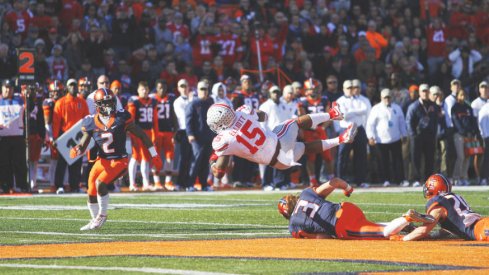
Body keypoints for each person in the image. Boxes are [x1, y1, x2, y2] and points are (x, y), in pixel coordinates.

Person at [70, 88, 162, 230]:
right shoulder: (91, 122)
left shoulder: (122, 118)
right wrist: (78, 149)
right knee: (91, 189)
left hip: (119, 160)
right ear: (97, 105)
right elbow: (84, 143)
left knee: (100, 183)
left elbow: (142, 135)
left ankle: (102, 215)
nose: (108, 106)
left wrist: (154, 154)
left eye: (110, 102)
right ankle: (94, 219)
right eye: (104, 103)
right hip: (102, 160)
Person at [208, 101, 356, 179]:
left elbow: (220, 172)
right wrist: (251, 116)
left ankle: (341, 138)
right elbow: (263, 116)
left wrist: (214, 166)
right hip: (280, 143)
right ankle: (332, 114)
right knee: (294, 122)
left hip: (279, 164)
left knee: (305, 148)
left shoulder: (223, 140)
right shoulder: (242, 112)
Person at [277, 178, 433, 239]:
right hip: (347, 208)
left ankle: (406, 218)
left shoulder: (293, 225)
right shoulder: (306, 193)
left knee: (382, 234)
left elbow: (320, 237)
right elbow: (335, 182)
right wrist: (348, 188)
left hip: (341, 224)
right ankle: (405, 225)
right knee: (373, 226)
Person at [393, 174, 489, 241]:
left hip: (481, 230)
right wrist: (415, 230)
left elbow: (424, 230)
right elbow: (446, 232)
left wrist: (404, 238)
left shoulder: (438, 202)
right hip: (483, 224)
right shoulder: (453, 197)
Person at [52, 78, 89, 194]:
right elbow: (56, 122)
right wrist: (55, 137)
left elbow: (87, 119)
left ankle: (75, 186)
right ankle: (59, 186)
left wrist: (86, 134)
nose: (73, 87)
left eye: (75, 85)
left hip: (78, 135)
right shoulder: (60, 102)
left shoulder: (82, 102)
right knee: (62, 162)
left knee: (76, 162)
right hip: (65, 135)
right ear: (67, 88)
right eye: (71, 85)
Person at [366, 88, 408, 187]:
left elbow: (402, 122)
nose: (387, 99)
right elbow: (370, 124)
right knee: (383, 161)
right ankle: (385, 180)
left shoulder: (397, 108)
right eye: (385, 97)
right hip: (381, 139)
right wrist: (370, 136)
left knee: (398, 160)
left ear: (391, 97)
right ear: (381, 97)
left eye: (389, 97)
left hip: (395, 138)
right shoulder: (376, 109)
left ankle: (400, 180)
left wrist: (404, 134)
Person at [406, 84, 441, 187]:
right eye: (423, 91)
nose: (425, 93)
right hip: (417, 136)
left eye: (426, 91)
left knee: (430, 158)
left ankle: (428, 180)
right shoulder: (414, 106)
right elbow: (409, 121)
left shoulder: (433, 105)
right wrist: (413, 134)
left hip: (429, 135)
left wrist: (434, 133)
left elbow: (435, 120)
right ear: (420, 93)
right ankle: (416, 179)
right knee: (416, 158)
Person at [127, 81, 159, 191]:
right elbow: (130, 120)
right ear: (138, 91)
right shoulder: (134, 102)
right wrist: (132, 134)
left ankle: (146, 183)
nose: (144, 91)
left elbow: (155, 121)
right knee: (136, 156)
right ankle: (132, 183)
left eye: (146, 89)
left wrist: (156, 134)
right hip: (137, 132)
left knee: (146, 157)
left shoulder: (153, 102)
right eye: (142, 89)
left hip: (148, 132)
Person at [185, 80, 215, 191]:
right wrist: (190, 134)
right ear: (197, 90)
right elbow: (188, 120)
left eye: (205, 89)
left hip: (208, 136)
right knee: (196, 160)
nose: (204, 91)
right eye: (202, 89)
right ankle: (190, 184)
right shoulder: (193, 103)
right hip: (197, 137)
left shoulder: (211, 102)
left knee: (205, 161)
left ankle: (204, 184)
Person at [0, 79, 28, 193]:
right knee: (4, 163)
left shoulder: (20, 99)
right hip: (3, 137)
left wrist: (26, 93)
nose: (8, 90)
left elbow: (29, 104)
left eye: (10, 88)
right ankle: (6, 185)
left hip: (18, 136)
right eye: (6, 87)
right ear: (2, 88)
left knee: (20, 163)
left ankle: (21, 185)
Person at [150, 79, 176, 190]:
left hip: (168, 131)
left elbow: (174, 115)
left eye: (164, 87)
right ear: (156, 88)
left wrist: (175, 131)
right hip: (156, 132)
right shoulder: (151, 99)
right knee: (155, 157)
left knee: (170, 157)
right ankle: (156, 182)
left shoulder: (171, 98)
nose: (162, 90)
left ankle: (168, 181)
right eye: (160, 87)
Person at [451, 89, 479, 186]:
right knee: (460, 156)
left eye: (464, 95)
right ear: (457, 96)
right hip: (459, 135)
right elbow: (456, 122)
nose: (463, 97)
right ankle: (456, 177)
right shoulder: (455, 108)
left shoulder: (468, 107)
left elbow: (472, 121)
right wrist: (463, 131)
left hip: (469, 135)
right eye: (461, 95)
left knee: (468, 156)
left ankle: (464, 177)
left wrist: (472, 131)